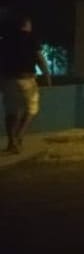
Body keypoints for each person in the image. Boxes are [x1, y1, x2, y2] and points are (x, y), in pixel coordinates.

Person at [2, 14, 51, 153]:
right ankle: (19, 136)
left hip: (9, 79)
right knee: (31, 109)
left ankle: (11, 142)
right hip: (27, 79)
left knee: (12, 112)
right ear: (26, 24)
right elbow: (40, 59)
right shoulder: (31, 39)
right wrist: (47, 75)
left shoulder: (6, 40)